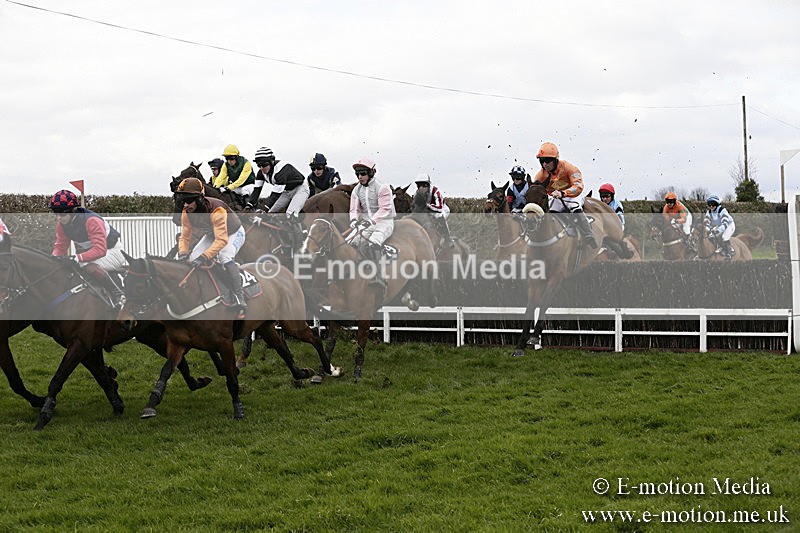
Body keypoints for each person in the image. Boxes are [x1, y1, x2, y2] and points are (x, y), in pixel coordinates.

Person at [174, 177, 248, 316]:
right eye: (182, 200)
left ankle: (239, 297)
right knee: (192, 258)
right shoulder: (186, 212)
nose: (185, 205)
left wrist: (204, 257)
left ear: (200, 199)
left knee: (224, 256)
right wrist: (183, 253)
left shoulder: (217, 209)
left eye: (189, 200)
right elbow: (184, 237)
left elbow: (221, 240)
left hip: (233, 233)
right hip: (212, 234)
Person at [49, 189, 127, 309]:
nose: (59, 218)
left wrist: (76, 258)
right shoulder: (62, 225)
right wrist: (54, 260)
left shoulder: (92, 221)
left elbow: (100, 250)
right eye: (56, 214)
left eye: (62, 214)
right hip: (97, 254)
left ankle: (118, 294)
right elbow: (60, 246)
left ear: (73, 211)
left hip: (113, 252)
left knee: (84, 263)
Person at [533, 142, 597, 248]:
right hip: (555, 197)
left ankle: (588, 234)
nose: (545, 164)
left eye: (548, 161)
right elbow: (535, 190)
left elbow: (578, 186)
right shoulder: (540, 175)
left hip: (573, 195)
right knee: (551, 212)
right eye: (542, 161)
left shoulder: (569, 168)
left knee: (574, 206)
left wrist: (563, 193)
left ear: (555, 160)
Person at [246, 146, 309, 251]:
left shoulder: (281, 170)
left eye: (264, 165)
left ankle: (300, 245)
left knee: (290, 215)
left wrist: (263, 211)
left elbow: (274, 195)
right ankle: (282, 241)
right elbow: (256, 191)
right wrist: (249, 205)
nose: (262, 168)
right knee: (271, 213)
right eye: (259, 165)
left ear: (271, 162)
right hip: (286, 191)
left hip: (300, 189)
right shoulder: (260, 173)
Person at [349, 157, 395, 289]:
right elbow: (354, 209)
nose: (359, 177)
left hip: (384, 222)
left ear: (371, 173)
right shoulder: (356, 190)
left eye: (363, 173)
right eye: (357, 174)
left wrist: (370, 221)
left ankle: (380, 276)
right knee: (349, 241)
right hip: (366, 223)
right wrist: (353, 220)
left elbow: (385, 209)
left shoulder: (382, 188)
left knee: (373, 242)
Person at [414, 173, 455, 247]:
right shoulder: (417, 194)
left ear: (428, 185)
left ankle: (447, 239)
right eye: (419, 186)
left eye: (423, 186)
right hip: (428, 210)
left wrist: (427, 206)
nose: (421, 188)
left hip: (441, 209)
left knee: (439, 216)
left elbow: (439, 207)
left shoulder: (435, 191)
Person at [704, 194, 736, 259]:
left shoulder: (722, 210)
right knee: (710, 236)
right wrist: (708, 229)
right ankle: (718, 247)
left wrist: (717, 230)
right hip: (719, 225)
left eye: (713, 204)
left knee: (724, 237)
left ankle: (729, 253)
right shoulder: (709, 212)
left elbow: (725, 223)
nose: (711, 206)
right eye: (709, 205)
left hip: (729, 225)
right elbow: (707, 223)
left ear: (717, 204)